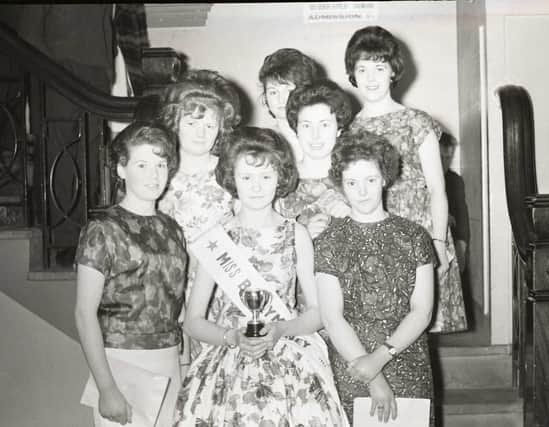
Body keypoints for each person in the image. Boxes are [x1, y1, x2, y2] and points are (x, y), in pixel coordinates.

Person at [173, 126, 348, 426]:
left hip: (290, 355)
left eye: (266, 177)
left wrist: (281, 330)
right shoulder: (218, 239)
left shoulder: (297, 234)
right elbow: (193, 321)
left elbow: (319, 314)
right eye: (247, 177)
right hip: (228, 361)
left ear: (280, 178)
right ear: (232, 179)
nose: (256, 187)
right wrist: (232, 337)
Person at [346, 25, 467, 333]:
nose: (371, 78)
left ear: (392, 72)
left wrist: (438, 243)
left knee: (415, 333)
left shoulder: (417, 122)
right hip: (371, 238)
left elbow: (438, 190)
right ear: (353, 74)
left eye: (379, 67)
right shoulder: (349, 131)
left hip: (417, 235)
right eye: (362, 69)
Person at [314, 131, 436, 426]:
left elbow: (422, 311)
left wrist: (381, 358)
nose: (362, 191)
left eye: (370, 180)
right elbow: (332, 318)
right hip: (352, 362)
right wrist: (373, 378)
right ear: (341, 186)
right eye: (352, 183)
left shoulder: (414, 236)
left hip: (407, 358)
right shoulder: (330, 241)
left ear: (384, 178)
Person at [74, 121, 187, 427]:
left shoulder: (172, 229)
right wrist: (106, 388)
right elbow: (84, 314)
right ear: (121, 169)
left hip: (169, 359)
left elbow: (176, 303)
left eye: (161, 164)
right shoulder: (102, 229)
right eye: (142, 164)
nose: (154, 175)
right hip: (120, 362)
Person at [18, 5, 117, 265]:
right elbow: (29, 26)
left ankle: (89, 235)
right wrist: (45, 67)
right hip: (57, 66)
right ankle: (63, 239)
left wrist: (108, 68)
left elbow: (105, 21)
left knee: (93, 150)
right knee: (58, 152)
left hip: (96, 70)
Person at [157, 69, 242, 362]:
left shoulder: (233, 171)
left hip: (227, 291)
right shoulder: (160, 174)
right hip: (174, 293)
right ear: (175, 122)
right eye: (192, 122)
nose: (200, 132)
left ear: (222, 127)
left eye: (210, 124)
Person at [275, 79, 352, 239]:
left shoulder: (358, 177)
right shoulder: (281, 180)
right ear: (296, 129)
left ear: (339, 129)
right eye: (306, 125)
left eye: (324, 125)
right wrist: (303, 237)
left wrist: (355, 218)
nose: (315, 135)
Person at [258, 48, 322, 163]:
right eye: (273, 92)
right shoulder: (263, 143)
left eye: (288, 91)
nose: (281, 99)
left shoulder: (320, 138)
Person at [440, 131, 470, 274]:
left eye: (449, 157)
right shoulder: (421, 180)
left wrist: (462, 244)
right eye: (442, 157)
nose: (446, 162)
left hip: (453, 241)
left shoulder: (455, 180)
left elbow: (462, 214)